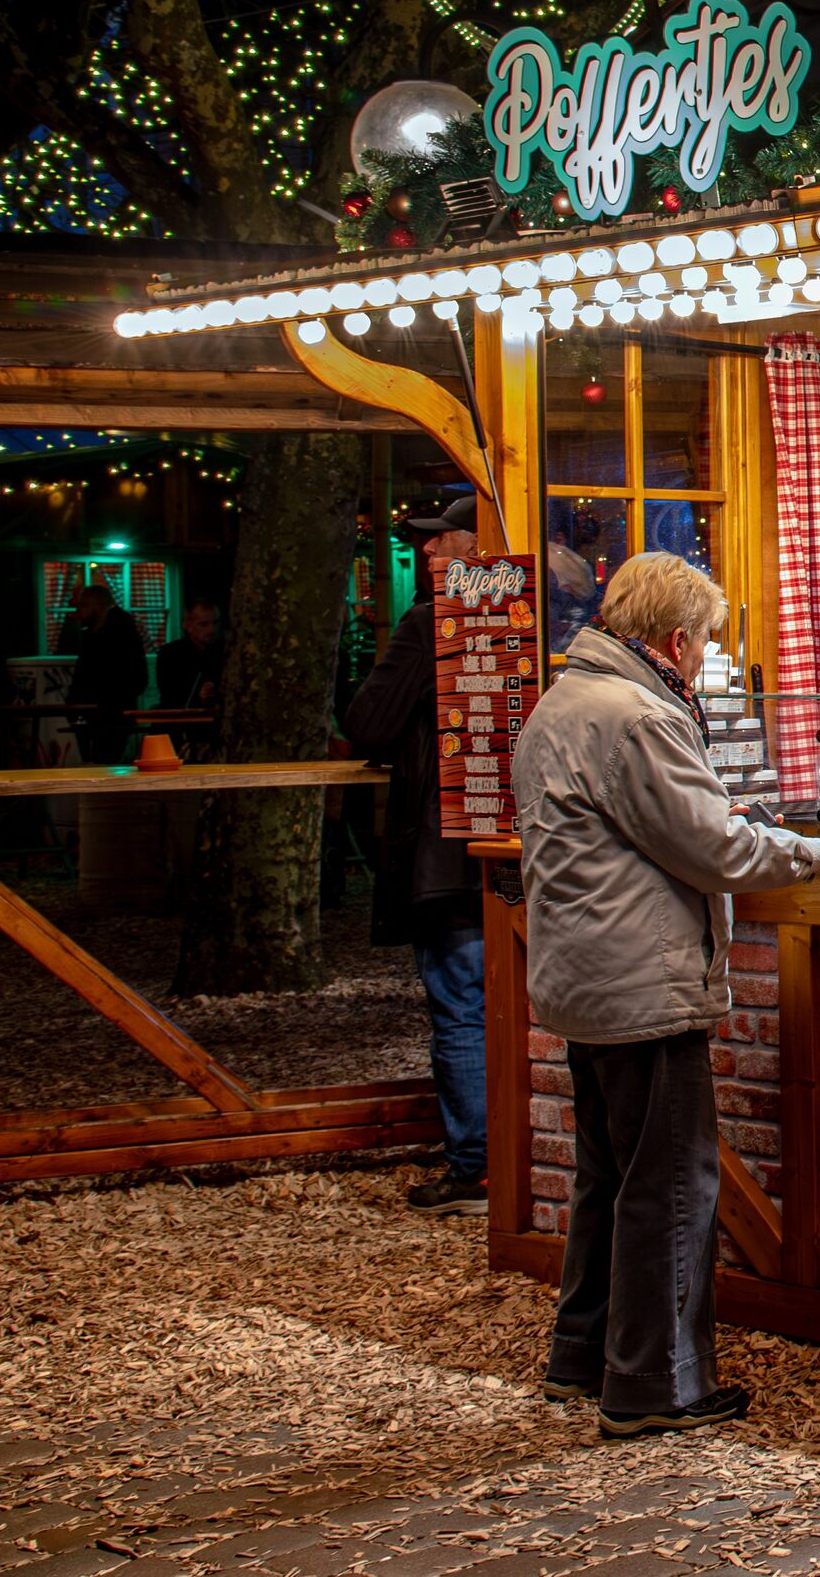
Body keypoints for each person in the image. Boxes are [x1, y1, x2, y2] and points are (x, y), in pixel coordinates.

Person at [515, 552, 820, 1437]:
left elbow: (677, 830)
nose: (706, 655)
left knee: (609, 1173)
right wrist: (817, 850)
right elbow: (714, 849)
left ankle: (583, 1355)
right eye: (707, 641)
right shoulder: (637, 715)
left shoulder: (564, 699)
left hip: (584, 976)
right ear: (677, 641)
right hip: (642, 979)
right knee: (673, 1183)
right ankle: (655, 1383)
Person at [342, 493, 490, 1215]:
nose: (425, 553)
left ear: (478, 549)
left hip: (446, 851)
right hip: (523, 847)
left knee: (461, 1003)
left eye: (441, 540)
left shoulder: (430, 624)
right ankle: (524, 1157)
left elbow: (368, 721)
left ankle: (475, 1167)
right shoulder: (537, 622)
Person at [58, 582, 149, 764]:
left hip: (107, 715)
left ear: (97, 605)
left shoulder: (114, 635)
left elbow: (133, 677)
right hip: (101, 714)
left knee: (104, 762)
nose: (79, 611)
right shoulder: (106, 633)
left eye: (83, 605)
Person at [154, 600, 224, 713]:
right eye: (203, 624)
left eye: (215, 623)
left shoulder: (225, 652)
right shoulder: (171, 653)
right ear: (188, 625)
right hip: (179, 721)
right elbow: (170, 693)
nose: (212, 630)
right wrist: (199, 694)